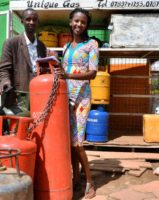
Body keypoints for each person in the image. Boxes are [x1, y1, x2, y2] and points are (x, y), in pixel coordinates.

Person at [55, 7, 99, 199]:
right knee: (70, 143)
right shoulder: (65, 47)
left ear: (86, 25)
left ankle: (89, 182)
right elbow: (62, 72)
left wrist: (68, 75)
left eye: (83, 22)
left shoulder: (92, 44)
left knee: (78, 143)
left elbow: (93, 73)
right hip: (66, 97)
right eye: (76, 21)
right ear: (70, 22)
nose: (79, 25)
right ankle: (75, 180)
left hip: (82, 99)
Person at [0, 8, 47, 116]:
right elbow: (3, 69)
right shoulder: (11, 43)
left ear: (38, 22)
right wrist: (5, 81)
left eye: (34, 19)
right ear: (22, 21)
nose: (31, 22)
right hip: (19, 96)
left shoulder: (42, 46)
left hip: (38, 96)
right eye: (28, 19)